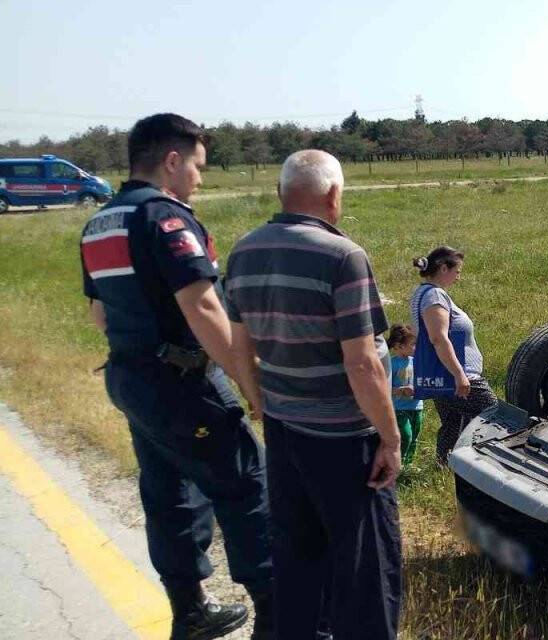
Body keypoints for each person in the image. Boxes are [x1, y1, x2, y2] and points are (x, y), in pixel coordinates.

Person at [78, 113, 273, 640]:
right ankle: (278, 617)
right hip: (182, 383)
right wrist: (250, 384)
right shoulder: (165, 217)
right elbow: (204, 309)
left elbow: (99, 315)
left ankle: (189, 611)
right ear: (171, 161)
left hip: (129, 378)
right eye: (197, 166)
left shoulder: (100, 221)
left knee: (168, 491)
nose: (200, 178)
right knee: (245, 485)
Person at [223, 149, 401, 639]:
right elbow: (362, 362)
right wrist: (389, 438)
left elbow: (240, 348)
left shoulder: (244, 250)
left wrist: (260, 404)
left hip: (283, 430)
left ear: (281, 193)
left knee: (299, 560)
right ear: (334, 196)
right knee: (366, 573)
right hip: (345, 439)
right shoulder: (343, 256)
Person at [410, 246, 498, 463]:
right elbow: (438, 338)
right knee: (496, 416)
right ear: (442, 268)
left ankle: (445, 468)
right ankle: (489, 466)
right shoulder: (434, 296)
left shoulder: (422, 293)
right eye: (457, 271)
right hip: (458, 376)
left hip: (442, 374)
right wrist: (460, 374)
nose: (459, 277)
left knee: (453, 423)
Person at [386, 325, 424, 464]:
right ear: (399, 346)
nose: (415, 347)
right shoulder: (391, 363)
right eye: (412, 344)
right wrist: (401, 390)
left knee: (414, 437)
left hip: (417, 406)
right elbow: (384, 388)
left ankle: (409, 465)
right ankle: (398, 464)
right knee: (405, 436)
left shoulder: (417, 362)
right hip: (399, 408)